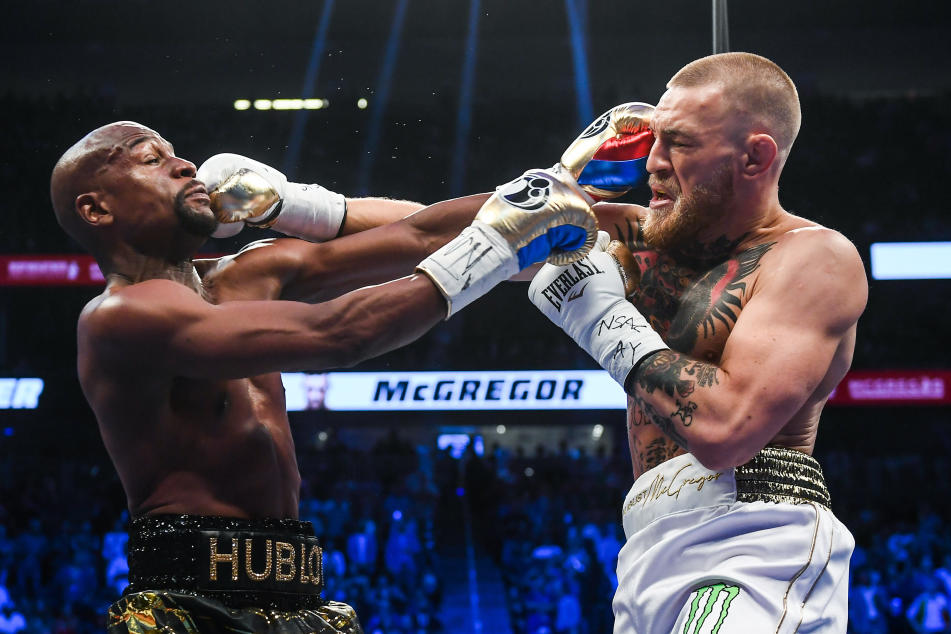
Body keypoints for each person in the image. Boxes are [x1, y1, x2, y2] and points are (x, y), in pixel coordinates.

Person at [49, 120, 596, 633]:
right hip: (188, 602)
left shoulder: (251, 273)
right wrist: (497, 245)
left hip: (301, 595)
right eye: (152, 160)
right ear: (97, 209)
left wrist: (552, 188)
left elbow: (417, 236)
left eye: (176, 154)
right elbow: (336, 333)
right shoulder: (119, 319)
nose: (186, 165)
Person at [529, 52, 868, 632]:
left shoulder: (813, 259)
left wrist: (601, 317)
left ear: (756, 155)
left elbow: (724, 431)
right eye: (653, 142)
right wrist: (322, 212)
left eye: (679, 143)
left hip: (753, 536)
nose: (653, 163)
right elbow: (471, 232)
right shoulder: (633, 237)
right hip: (644, 546)